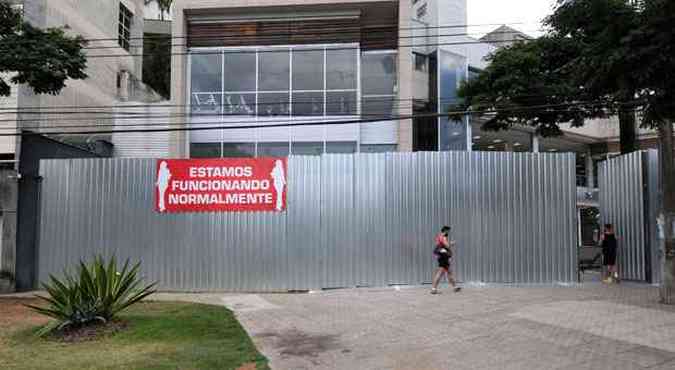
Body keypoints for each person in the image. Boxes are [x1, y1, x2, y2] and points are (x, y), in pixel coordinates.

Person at [431, 226, 461, 294]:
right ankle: (433, 289)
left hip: (442, 257)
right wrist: (451, 243)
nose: (448, 232)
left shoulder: (439, 237)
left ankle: (455, 287)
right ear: (445, 230)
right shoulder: (443, 237)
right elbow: (447, 245)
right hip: (443, 257)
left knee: (449, 272)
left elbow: (439, 246)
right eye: (448, 231)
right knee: (440, 272)